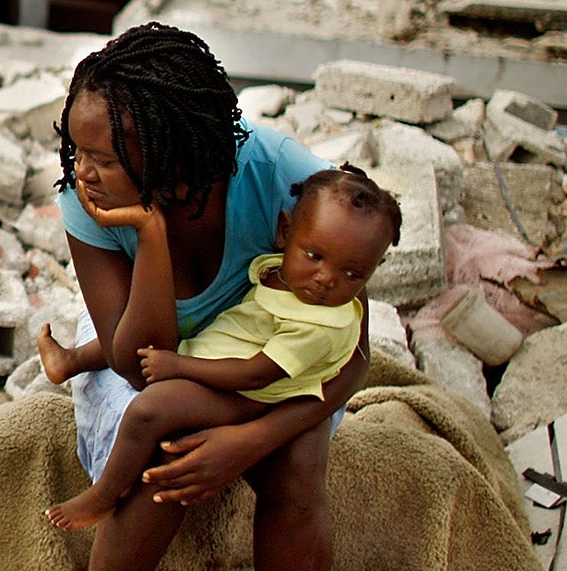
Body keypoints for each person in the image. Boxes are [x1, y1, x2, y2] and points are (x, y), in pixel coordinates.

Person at [30, 24, 369, 571]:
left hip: (269, 365)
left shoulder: (282, 176)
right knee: (162, 454)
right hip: (161, 364)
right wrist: (145, 233)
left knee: (296, 476)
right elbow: (135, 359)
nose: (83, 171)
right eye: (77, 152)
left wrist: (252, 443)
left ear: (178, 148)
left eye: (104, 155)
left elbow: (352, 349)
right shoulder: (91, 203)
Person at [39, 166, 400, 532]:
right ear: (285, 232)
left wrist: (179, 366)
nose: (326, 279)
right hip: (225, 351)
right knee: (152, 331)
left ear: (374, 270)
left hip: (251, 394)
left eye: (353, 274)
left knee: (147, 411)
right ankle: (72, 360)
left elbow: (257, 373)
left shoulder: (321, 325)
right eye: (314, 256)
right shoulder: (284, 274)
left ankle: (104, 495)